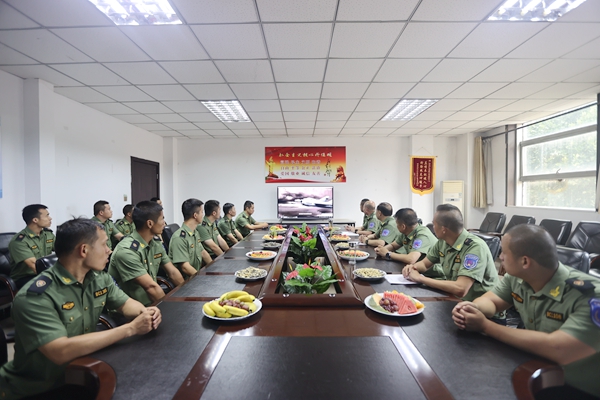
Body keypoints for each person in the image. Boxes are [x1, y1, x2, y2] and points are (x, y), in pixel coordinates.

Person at [0, 218, 161, 400]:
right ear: (84, 250)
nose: (109, 250)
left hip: (82, 374)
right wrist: (130, 329)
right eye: (104, 244)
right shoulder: (35, 296)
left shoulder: (99, 278)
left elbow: (125, 304)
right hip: (38, 388)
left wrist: (144, 313)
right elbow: (60, 351)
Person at [452, 224, 600, 398]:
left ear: (525, 262)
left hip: (580, 388)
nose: (500, 257)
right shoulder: (516, 278)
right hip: (535, 372)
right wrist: (472, 308)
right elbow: (491, 301)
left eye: (504, 253)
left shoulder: (591, 295)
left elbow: (559, 348)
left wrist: (485, 326)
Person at [402, 204, 499, 301]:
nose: (433, 228)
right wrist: (412, 268)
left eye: (434, 224)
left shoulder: (475, 248)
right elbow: (424, 264)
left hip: (478, 303)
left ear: (443, 229)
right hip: (454, 297)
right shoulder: (443, 242)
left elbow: (461, 289)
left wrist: (420, 278)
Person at [108, 201, 183, 306]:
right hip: (131, 309)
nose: (164, 223)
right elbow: (151, 287)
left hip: (151, 303)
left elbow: (173, 272)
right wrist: (170, 308)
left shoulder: (155, 243)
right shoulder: (127, 251)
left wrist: (186, 296)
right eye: (162, 219)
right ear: (150, 223)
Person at [8, 204, 56, 289]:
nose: (50, 218)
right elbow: (34, 266)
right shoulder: (19, 241)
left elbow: (64, 251)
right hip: (24, 277)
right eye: (47, 215)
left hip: (45, 272)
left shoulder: (48, 234)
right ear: (35, 220)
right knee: (55, 285)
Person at [169, 199, 212, 279]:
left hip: (195, 275)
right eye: (201, 212)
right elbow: (185, 267)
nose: (203, 215)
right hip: (185, 280)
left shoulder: (195, 232)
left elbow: (203, 253)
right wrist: (201, 279)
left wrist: (213, 269)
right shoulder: (179, 238)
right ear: (195, 215)